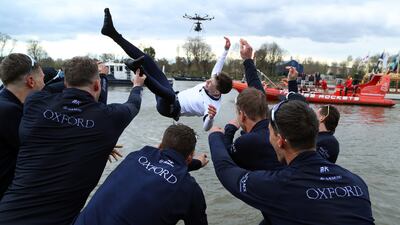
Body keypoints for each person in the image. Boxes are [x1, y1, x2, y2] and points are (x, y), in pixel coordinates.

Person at [0, 56, 145, 225]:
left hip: (7, 214)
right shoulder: (110, 118)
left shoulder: (34, 103)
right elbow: (133, 104)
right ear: (97, 85)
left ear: (66, 83)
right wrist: (137, 85)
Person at [208, 100, 375, 225]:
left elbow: (225, 170)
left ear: (280, 141)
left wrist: (215, 136)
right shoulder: (357, 182)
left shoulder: (278, 185)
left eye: (270, 133)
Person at [101, 8, 232, 131]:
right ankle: (112, 33)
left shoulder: (213, 106)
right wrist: (225, 50)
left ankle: (138, 70)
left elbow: (205, 127)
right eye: (210, 79)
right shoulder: (215, 81)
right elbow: (218, 66)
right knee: (148, 60)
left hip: (170, 109)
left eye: (211, 83)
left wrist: (210, 117)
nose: (207, 82)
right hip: (169, 94)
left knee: (168, 95)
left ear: (217, 91)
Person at [73, 124, 208, 225]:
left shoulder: (137, 156)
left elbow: (160, 166)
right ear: (190, 157)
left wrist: (196, 163)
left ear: (160, 146)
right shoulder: (190, 189)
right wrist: (194, 162)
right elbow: (169, 170)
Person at [222, 39, 282, 171]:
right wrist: (247, 60)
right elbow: (257, 92)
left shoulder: (247, 142)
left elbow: (224, 160)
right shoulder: (277, 129)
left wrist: (229, 129)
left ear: (242, 115)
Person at [0, 53, 45, 199]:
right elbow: (39, 152)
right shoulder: (11, 112)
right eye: (42, 79)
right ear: (31, 81)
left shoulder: (5, 103)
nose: (44, 85)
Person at [286, 67, 341, 163]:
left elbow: (311, 162)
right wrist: (292, 81)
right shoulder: (312, 134)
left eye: (316, 113)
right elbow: (297, 109)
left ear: (322, 118)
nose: (312, 114)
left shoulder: (330, 142)